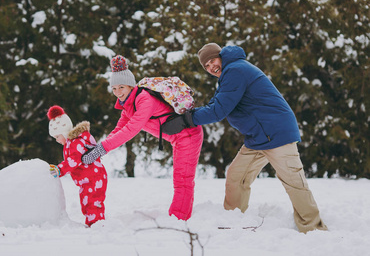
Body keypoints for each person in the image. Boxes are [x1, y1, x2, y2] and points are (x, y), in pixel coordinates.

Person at [164, 43, 327, 233]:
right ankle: (233, 219)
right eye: (206, 66)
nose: (211, 67)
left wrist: (186, 120)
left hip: (276, 132)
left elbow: (219, 110)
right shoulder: (230, 74)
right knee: (237, 176)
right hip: (259, 136)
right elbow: (216, 104)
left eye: (212, 61)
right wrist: (188, 116)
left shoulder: (235, 71)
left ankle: (314, 229)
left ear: (221, 56)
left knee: (293, 181)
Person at [81, 55, 204, 221]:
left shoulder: (144, 99)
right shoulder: (128, 106)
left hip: (189, 135)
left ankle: (179, 220)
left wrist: (102, 148)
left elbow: (131, 129)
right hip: (178, 139)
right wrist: (99, 149)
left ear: (131, 86)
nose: (117, 92)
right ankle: (180, 217)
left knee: (182, 179)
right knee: (181, 179)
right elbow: (119, 129)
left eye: (121, 87)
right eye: (114, 88)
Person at [47, 105, 107, 227]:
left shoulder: (76, 142)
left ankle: (97, 225)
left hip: (93, 178)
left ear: (63, 131)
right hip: (86, 180)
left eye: (57, 136)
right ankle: (93, 223)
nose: (56, 140)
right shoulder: (70, 143)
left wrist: (59, 169)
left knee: (92, 202)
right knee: (86, 203)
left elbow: (73, 161)